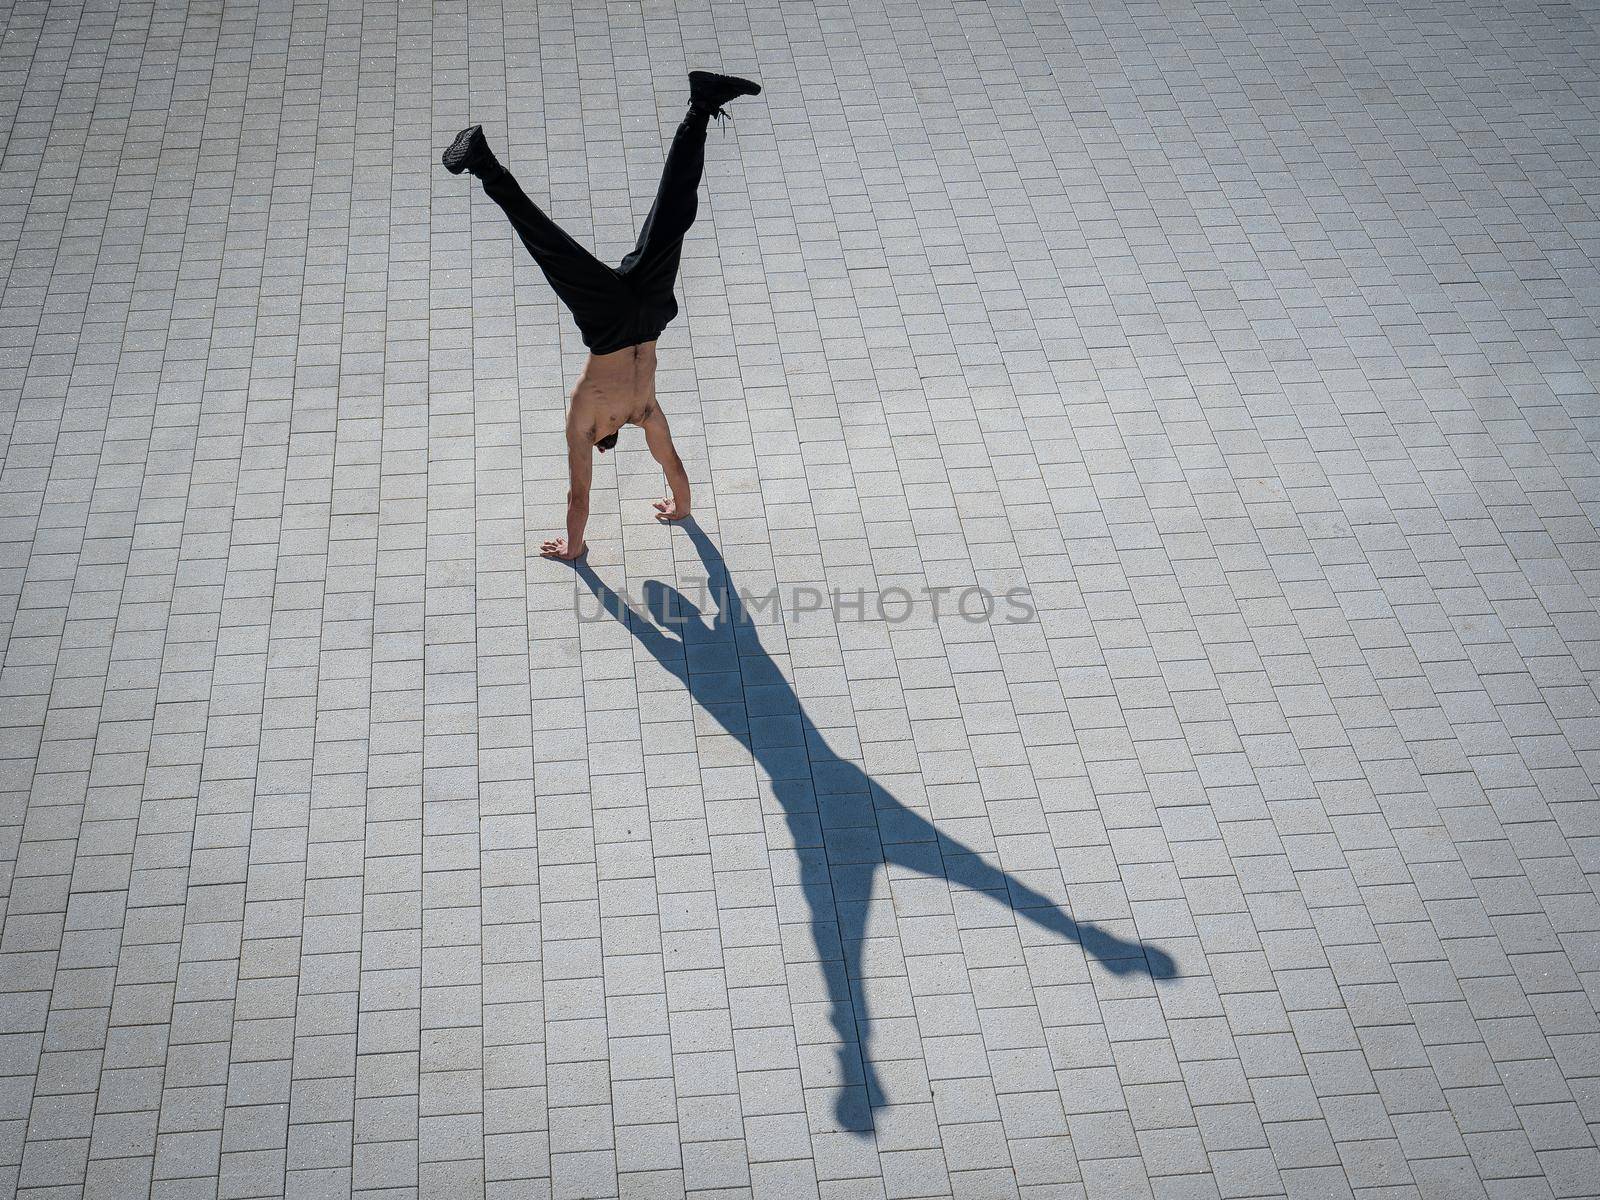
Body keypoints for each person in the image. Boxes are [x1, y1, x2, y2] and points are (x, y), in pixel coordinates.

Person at [442, 71, 762, 559]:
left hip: (644, 317)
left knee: (671, 218)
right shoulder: (590, 421)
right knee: (553, 246)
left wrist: (681, 507)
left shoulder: (644, 411)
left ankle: (700, 108)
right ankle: (699, 106)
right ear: (601, 439)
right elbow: (581, 495)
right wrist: (580, 543)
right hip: (616, 322)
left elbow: (670, 467)